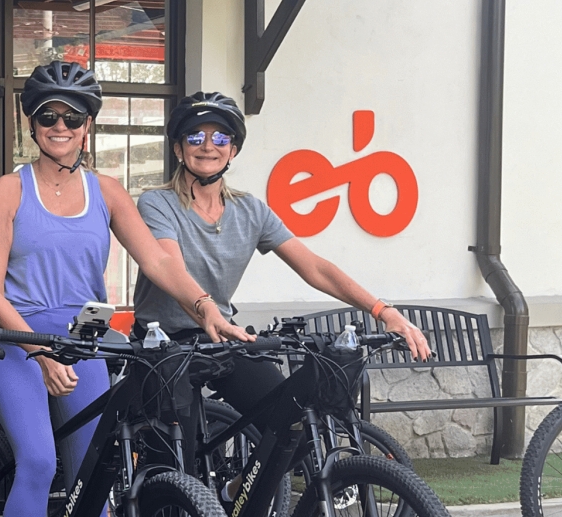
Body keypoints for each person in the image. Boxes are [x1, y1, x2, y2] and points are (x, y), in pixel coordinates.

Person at [0, 62, 235, 517]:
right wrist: (39, 352)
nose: (60, 126)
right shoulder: (9, 189)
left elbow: (159, 261)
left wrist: (204, 307)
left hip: (81, 344)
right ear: (32, 124)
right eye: (48, 116)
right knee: (38, 461)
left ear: (88, 126)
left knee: (94, 481)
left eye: (72, 117)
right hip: (14, 343)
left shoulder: (107, 191)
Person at [132, 92, 430, 443]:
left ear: (233, 150)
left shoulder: (251, 211)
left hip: (223, 336)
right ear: (178, 149)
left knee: (290, 421)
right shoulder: (157, 203)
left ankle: (246, 479)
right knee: (176, 450)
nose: (208, 146)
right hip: (163, 342)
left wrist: (383, 311)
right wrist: (206, 307)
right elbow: (170, 266)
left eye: (221, 138)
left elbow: (315, 267)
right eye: (195, 137)